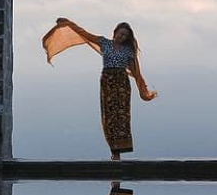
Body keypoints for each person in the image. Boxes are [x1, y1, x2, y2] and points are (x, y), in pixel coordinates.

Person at [42, 16, 156, 159]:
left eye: (125, 35)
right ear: (115, 32)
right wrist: (68, 23)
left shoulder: (128, 51)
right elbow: (84, 34)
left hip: (122, 84)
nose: (122, 37)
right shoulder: (103, 42)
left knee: (121, 116)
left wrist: (143, 90)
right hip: (107, 81)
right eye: (121, 33)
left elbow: (136, 73)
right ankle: (113, 151)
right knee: (108, 116)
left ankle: (118, 152)